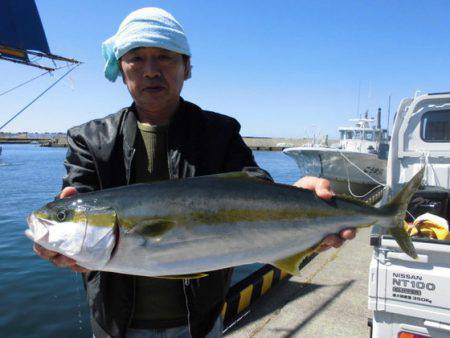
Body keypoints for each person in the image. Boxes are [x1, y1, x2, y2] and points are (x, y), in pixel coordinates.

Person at [33, 7, 356, 338]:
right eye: (136, 58)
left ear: (187, 67)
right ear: (121, 68)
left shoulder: (219, 132)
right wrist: (62, 238)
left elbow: (255, 188)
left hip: (200, 323)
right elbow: (77, 196)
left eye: (164, 56)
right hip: (115, 324)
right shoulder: (89, 139)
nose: (150, 70)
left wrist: (300, 201)